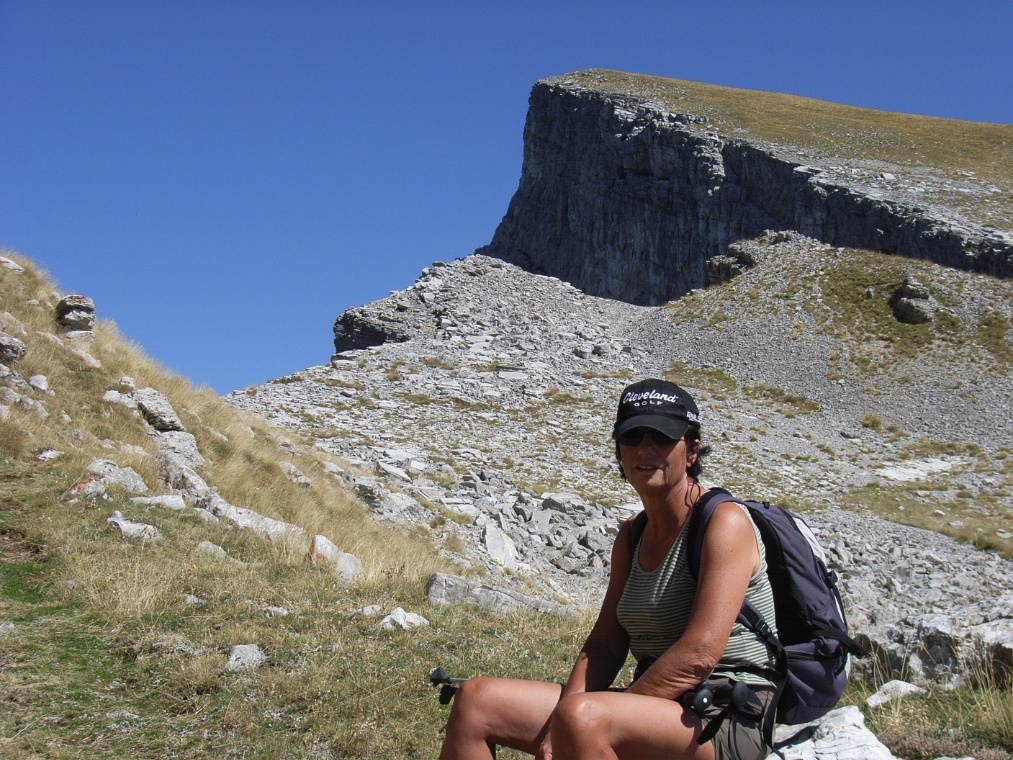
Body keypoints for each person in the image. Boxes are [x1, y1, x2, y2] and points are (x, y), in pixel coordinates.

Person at [438, 378, 780, 760]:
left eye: (662, 437)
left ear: (692, 451)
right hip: (657, 706)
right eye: (632, 437)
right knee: (475, 701)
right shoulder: (632, 535)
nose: (645, 449)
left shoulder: (724, 522)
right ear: (619, 451)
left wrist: (576, 722)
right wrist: (560, 723)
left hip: (727, 712)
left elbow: (698, 656)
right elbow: (605, 643)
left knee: (583, 720)